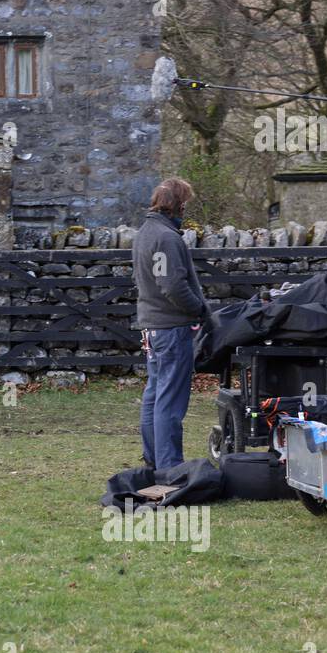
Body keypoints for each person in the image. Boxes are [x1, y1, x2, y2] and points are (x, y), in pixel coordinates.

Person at [133, 177, 209, 470]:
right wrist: (200, 310)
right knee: (169, 401)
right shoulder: (165, 237)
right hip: (171, 329)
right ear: (177, 204)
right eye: (185, 202)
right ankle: (169, 465)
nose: (186, 208)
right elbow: (171, 286)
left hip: (153, 328)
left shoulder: (145, 232)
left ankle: (155, 460)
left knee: (154, 395)